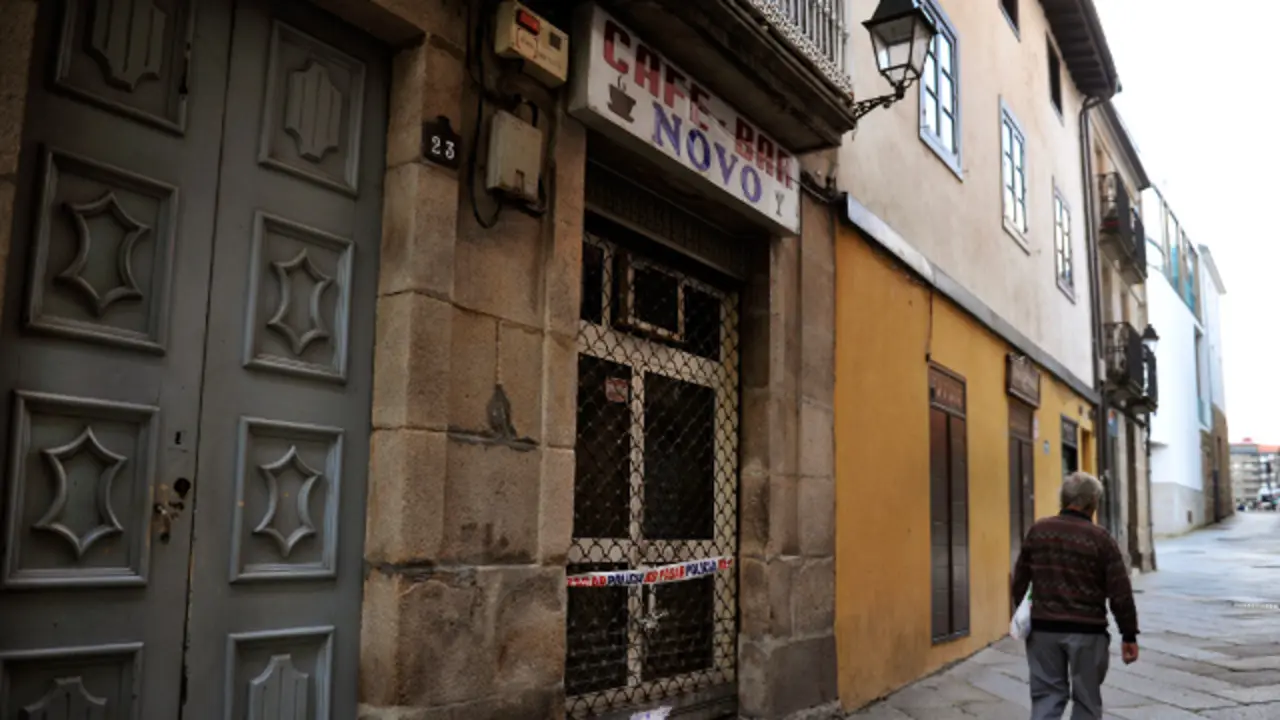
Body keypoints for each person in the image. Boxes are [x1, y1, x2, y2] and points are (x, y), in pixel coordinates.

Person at [1011, 471, 1139, 720]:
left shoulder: (1039, 531)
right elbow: (1120, 592)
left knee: (1046, 698)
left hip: (1044, 630)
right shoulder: (1101, 539)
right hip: (1087, 632)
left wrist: (1025, 613)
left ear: (1064, 499)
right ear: (1093, 503)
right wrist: (1129, 634)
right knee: (1087, 701)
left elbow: (1020, 581)